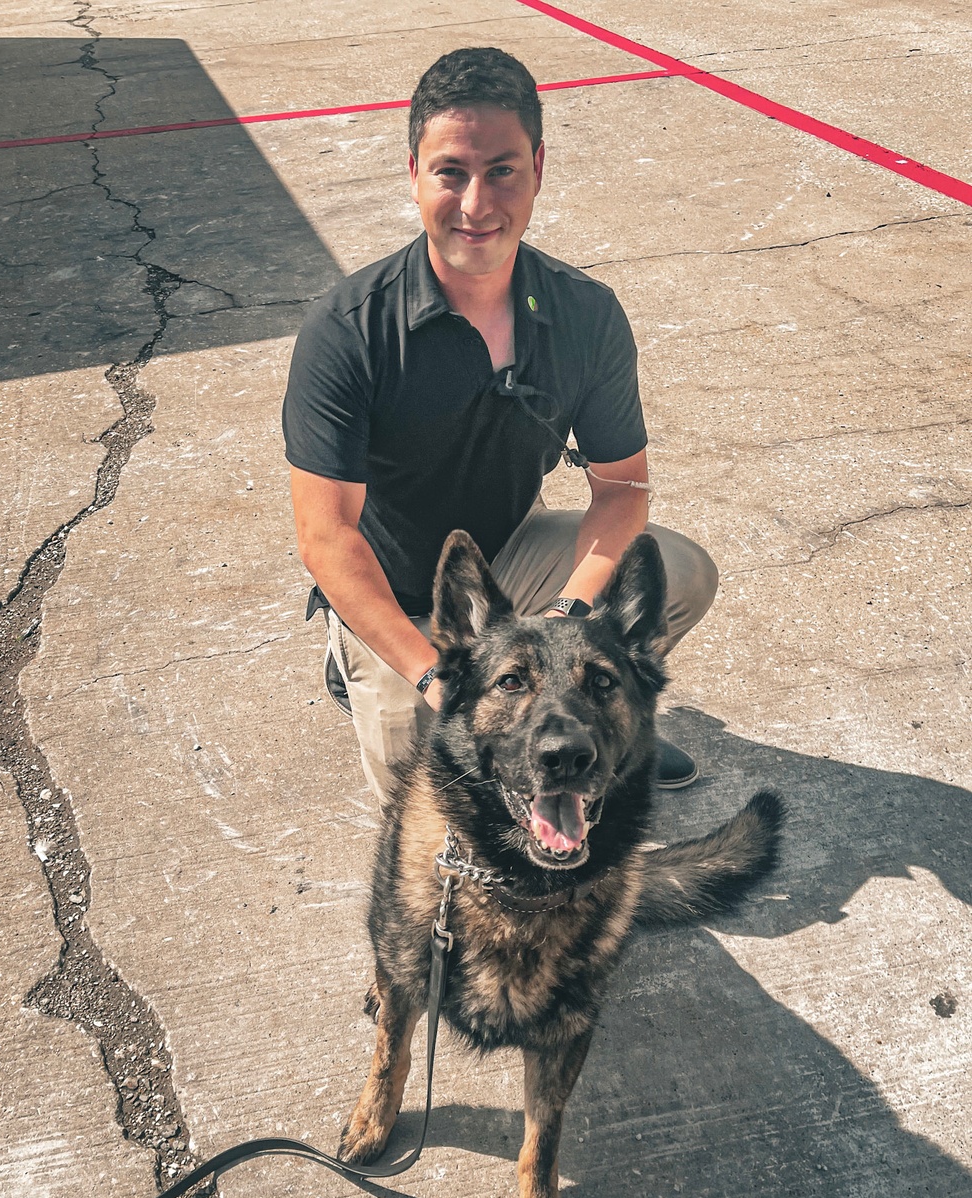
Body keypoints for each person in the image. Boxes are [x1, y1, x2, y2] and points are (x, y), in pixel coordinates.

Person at [284, 47, 717, 814]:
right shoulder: (348, 329)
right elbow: (326, 538)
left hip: (508, 572)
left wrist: (571, 622)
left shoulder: (586, 314)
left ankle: (603, 734)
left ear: (540, 167)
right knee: (438, 809)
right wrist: (434, 674)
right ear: (412, 171)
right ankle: (355, 659)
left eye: (503, 170)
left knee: (680, 571)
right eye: (451, 171)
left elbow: (622, 487)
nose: (477, 204)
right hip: (394, 596)